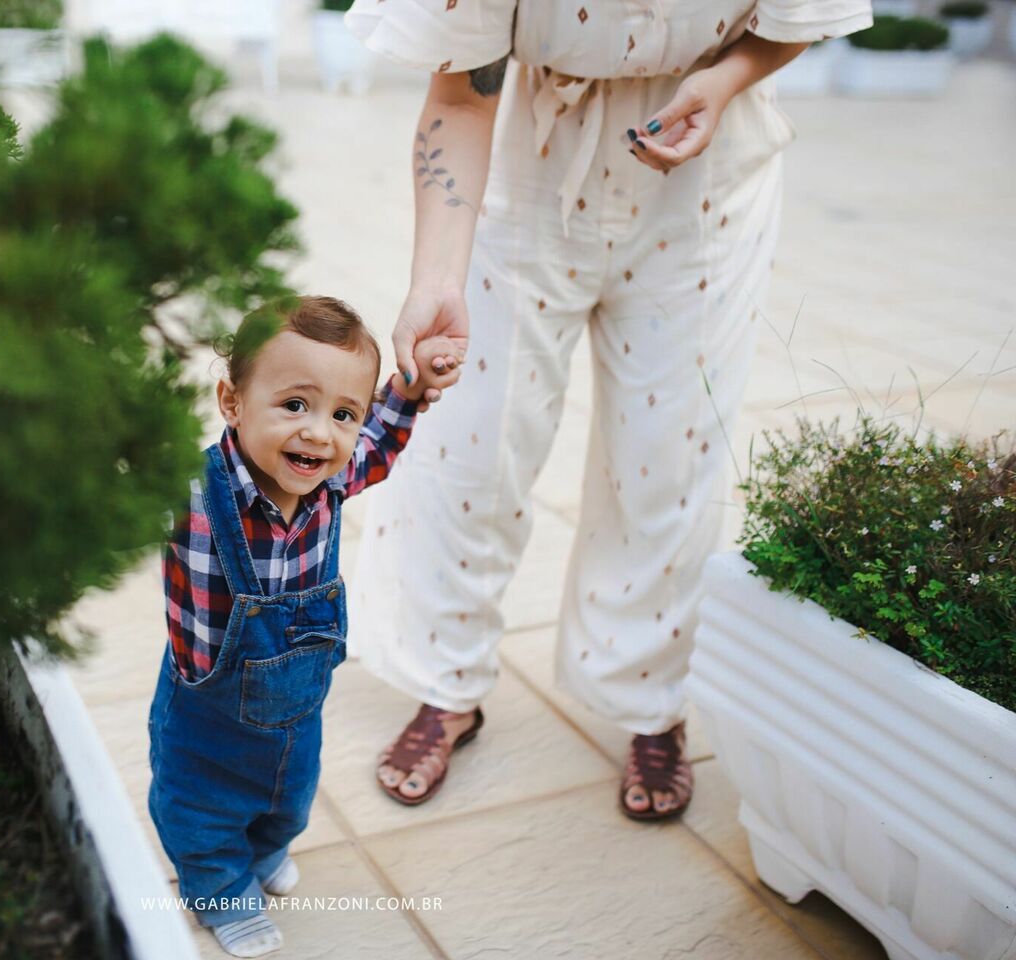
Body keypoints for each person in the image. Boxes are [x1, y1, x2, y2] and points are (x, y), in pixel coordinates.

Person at [345, 0, 872, 819]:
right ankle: (445, 681)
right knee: (468, 448)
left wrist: (727, 78)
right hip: (521, 161)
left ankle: (647, 697)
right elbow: (461, 93)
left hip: (707, 173)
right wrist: (436, 280)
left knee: (670, 453)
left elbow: (799, 15)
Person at [147, 295, 463, 958]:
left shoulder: (335, 480)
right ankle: (221, 893)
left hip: (296, 710)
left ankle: (262, 857)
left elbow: (379, 438)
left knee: (288, 800)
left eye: (341, 412)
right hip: (208, 709)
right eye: (294, 405)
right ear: (232, 402)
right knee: (201, 813)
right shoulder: (192, 494)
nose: (320, 433)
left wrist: (409, 386)